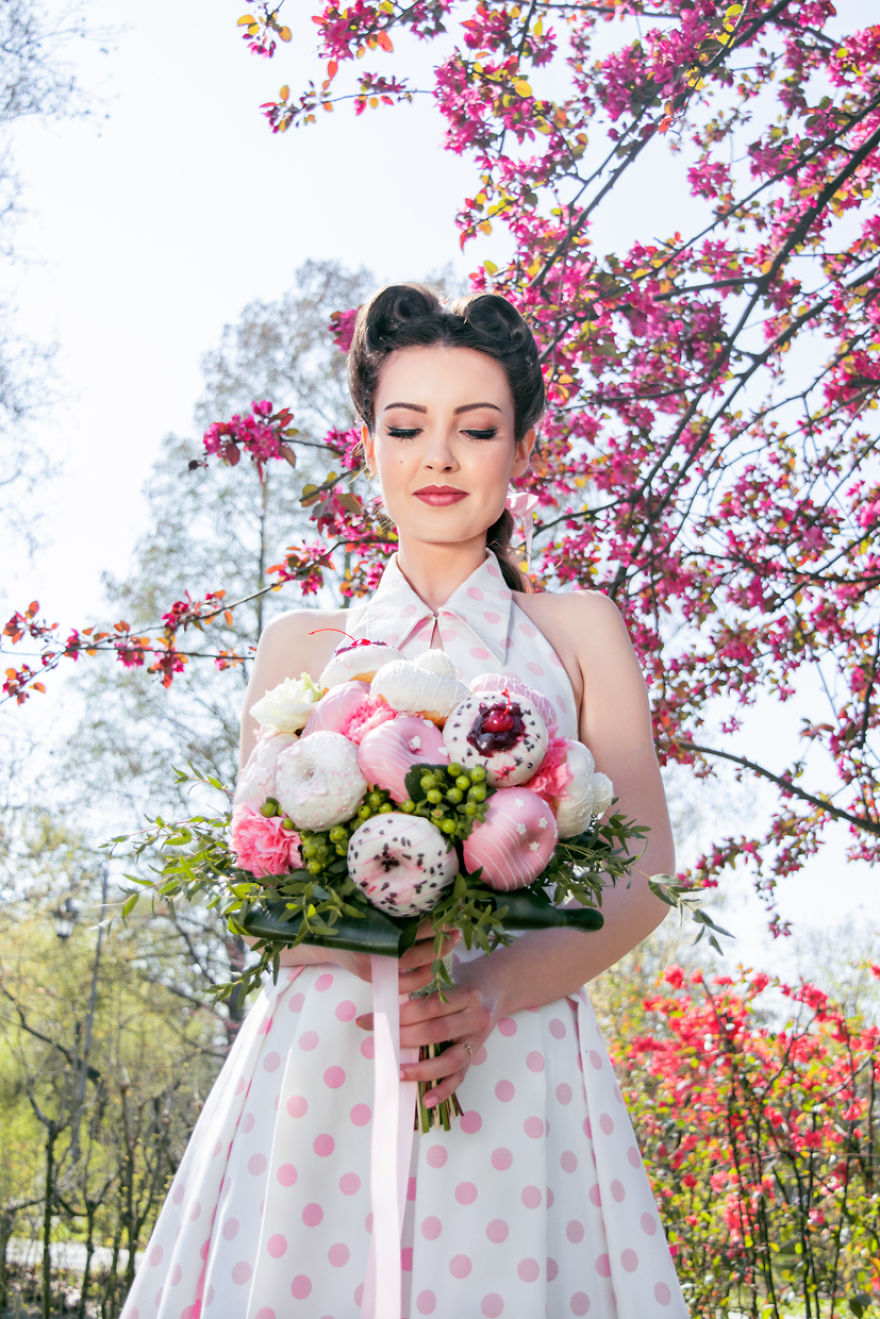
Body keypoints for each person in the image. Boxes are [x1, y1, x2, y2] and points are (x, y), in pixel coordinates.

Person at [121, 284, 688, 1318]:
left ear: (519, 450)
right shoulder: (301, 644)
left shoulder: (575, 626)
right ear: (367, 446)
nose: (439, 455)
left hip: (518, 1063)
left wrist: (489, 995)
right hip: (322, 1067)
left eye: (475, 428)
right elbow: (257, 866)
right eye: (406, 426)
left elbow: (646, 871)